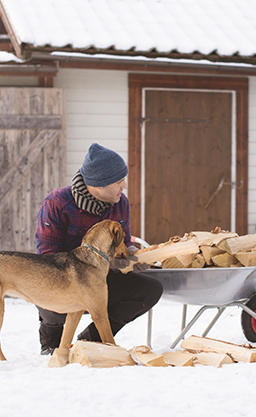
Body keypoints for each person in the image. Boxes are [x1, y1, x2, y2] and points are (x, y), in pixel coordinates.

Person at [34, 143, 163, 355]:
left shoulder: (120, 203)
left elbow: (125, 242)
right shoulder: (57, 203)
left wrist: (132, 257)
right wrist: (103, 260)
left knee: (150, 289)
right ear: (100, 184)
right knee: (50, 297)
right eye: (120, 181)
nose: (125, 186)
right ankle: (51, 339)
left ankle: (91, 339)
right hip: (62, 280)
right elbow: (48, 259)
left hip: (102, 279)